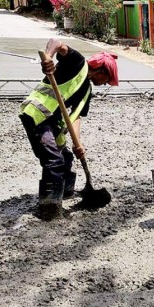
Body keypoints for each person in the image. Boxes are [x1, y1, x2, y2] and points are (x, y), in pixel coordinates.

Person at [19, 38, 119, 221]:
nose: (105, 84)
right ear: (101, 70)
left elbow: (76, 116)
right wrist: (48, 58)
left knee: (65, 158)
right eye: (107, 79)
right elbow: (56, 42)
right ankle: (49, 208)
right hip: (36, 115)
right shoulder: (77, 62)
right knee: (53, 160)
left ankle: (63, 193)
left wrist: (78, 144)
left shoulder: (87, 91)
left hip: (52, 123)